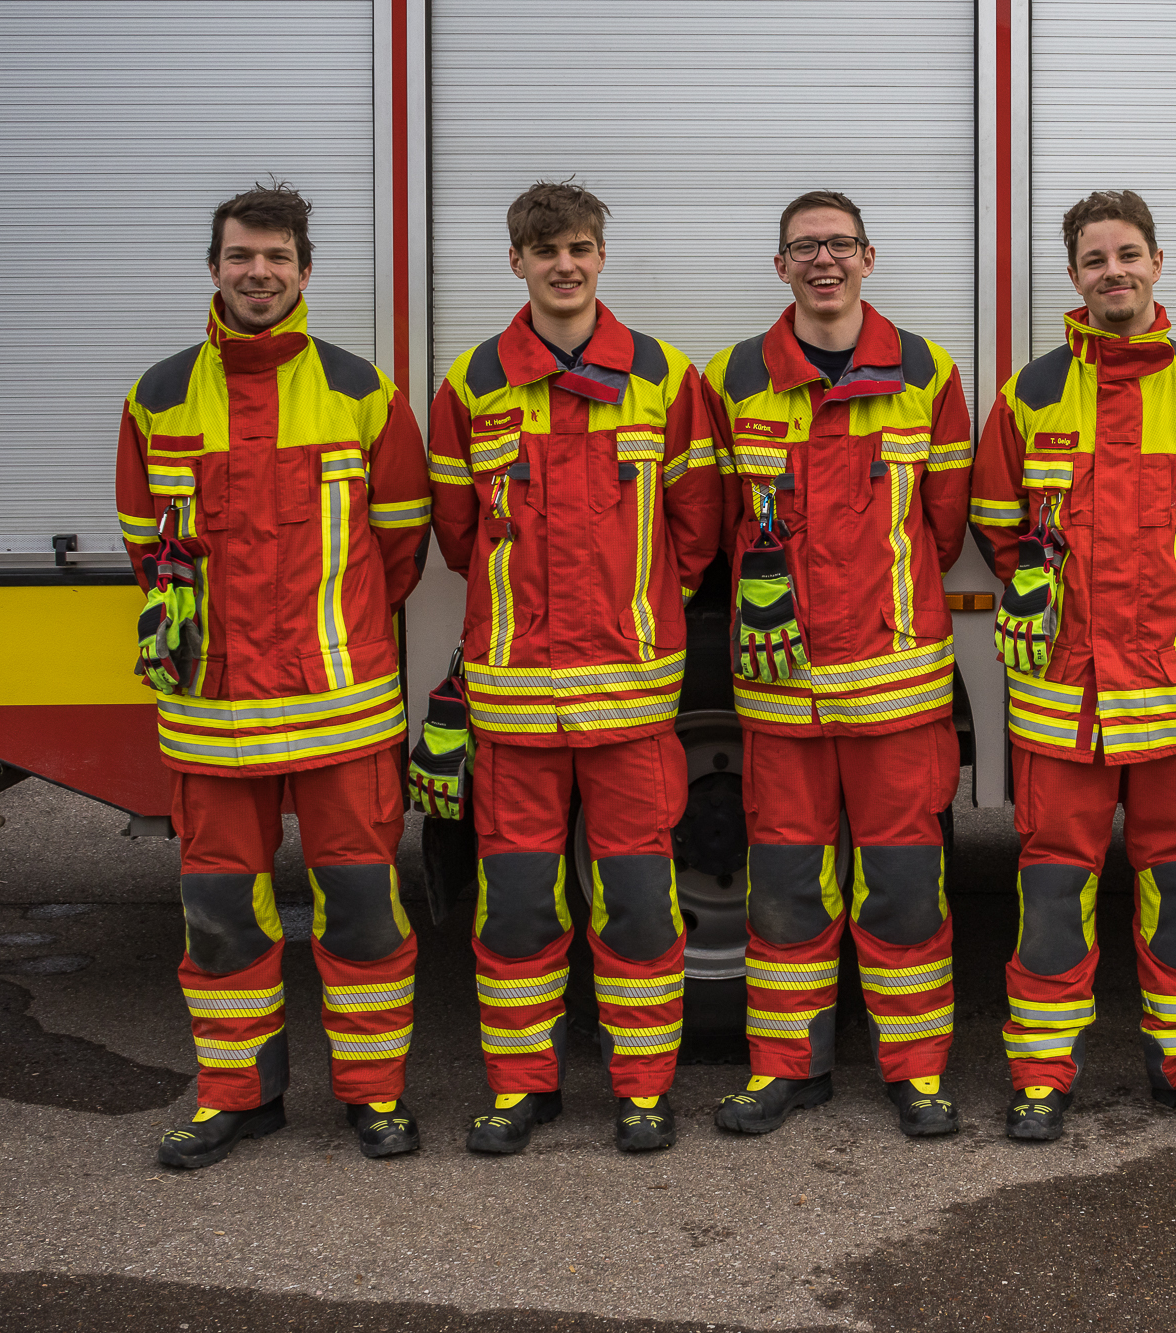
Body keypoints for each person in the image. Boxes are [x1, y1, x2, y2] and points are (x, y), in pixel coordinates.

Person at [116, 183, 431, 1169]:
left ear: (305, 270)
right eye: (241, 257)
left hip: (340, 714)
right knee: (219, 923)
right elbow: (144, 547)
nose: (259, 272)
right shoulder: (157, 397)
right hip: (213, 718)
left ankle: (373, 1098)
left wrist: (321, 637)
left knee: (366, 917)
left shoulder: (361, 392)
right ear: (214, 269)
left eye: (276, 257)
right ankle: (235, 1097)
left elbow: (401, 548)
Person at [969, 190, 1176, 1141]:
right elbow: (996, 524)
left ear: (1156, 262)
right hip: (1066, 694)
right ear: (1073, 277)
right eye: (1095, 259)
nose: (1114, 272)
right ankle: (1042, 1075)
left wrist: (1163, 623)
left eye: (1128, 253)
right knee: (1053, 880)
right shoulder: (1030, 393)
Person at [424, 181, 722, 1154]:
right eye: (544, 249)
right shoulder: (470, 385)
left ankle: (641, 1089)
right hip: (513, 713)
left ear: (601, 258)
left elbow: (695, 528)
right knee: (514, 912)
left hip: (630, 710)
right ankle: (522, 1089)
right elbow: (460, 539)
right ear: (515, 262)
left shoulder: (663, 378)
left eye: (580, 248)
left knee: (637, 907)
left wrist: (630, 606)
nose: (564, 264)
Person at [702, 190, 973, 1138]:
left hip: (896, 690)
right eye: (804, 247)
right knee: (783, 888)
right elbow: (708, 523)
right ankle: (787, 1067)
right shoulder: (730, 377)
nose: (824, 261)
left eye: (840, 245)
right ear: (779, 266)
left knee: (903, 890)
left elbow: (942, 524)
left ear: (870, 256)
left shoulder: (929, 372)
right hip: (783, 693)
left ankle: (916, 1071)